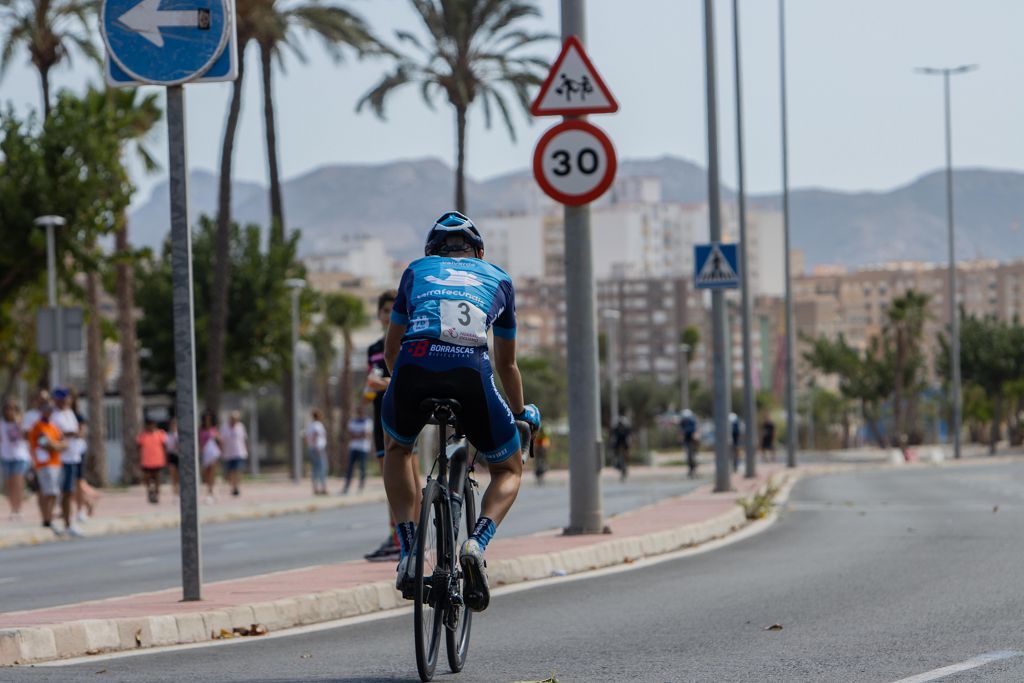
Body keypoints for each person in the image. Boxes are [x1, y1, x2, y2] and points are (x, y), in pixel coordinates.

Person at [382, 211, 541, 613]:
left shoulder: (415, 270)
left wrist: (407, 391)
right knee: (508, 468)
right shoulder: (499, 278)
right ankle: (476, 542)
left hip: (414, 364)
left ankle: (409, 548)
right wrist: (523, 412)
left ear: (431, 251)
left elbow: (390, 353)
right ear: (479, 253)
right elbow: (506, 366)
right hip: (471, 370)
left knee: (398, 450)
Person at [363, 290, 405, 563]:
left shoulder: (406, 344)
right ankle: (395, 536)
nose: (388, 316)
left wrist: (385, 384)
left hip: (401, 416)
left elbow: (404, 380)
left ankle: (407, 535)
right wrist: (372, 387)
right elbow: (369, 385)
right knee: (389, 482)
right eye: (385, 311)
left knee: (405, 479)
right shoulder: (374, 350)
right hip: (379, 418)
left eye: (394, 310)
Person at [28, 399, 66, 535]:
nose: (49, 411)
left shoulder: (53, 426)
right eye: (47, 408)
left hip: (56, 463)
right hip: (44, 464)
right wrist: (56, 446)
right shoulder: (38, 427)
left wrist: (56, 446)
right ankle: (47, 520)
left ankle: (49, 519)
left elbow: (63, 443)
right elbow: (45, 444)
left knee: (54, 493)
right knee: (48, 493)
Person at [52, 388, 85, 536]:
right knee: (63, 492)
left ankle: (68, 522)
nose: (64, 400)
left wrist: (77, 433)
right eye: (61, 398)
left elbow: (77, 429)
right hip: (61, 459)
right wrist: (70, 434)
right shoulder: (54, 415)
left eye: (66, 398)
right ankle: (63, 522)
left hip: (73, 457)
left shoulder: (70, 412)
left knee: (70, 491)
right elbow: (54, 433)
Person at [1, 400, 31, 520]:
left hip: (20, 456)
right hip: (6, 456)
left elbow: (27, 437)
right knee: (9, 484)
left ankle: (19, 509)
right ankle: (13, 508)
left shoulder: (21, 423)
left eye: (13, 409)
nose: (10, 411)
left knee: (18, 483)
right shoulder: (2, 424)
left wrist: (19, 423)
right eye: (8, 409)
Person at [137, 418, 167, 504]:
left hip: (157, 460)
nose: (150, 427)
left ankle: (157, 494)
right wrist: (139, 460)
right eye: (148, 425)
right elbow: (139, 447)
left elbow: (164, 446)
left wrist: (165, 459)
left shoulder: (160, 434)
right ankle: (150, 491)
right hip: (146, 461)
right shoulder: (143, 436)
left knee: (157, 478)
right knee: (147, 479)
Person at [344, 404, 372, 494]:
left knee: (362, 467)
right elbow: (351, 435)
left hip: (363, 448)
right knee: (350, 467)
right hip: (353, 447)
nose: (360, 412)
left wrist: (357, 435)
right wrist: (360, 435)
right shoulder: (352, 421)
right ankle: (347, 485)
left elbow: (366, 434)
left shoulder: (367, 421)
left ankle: (361, 485)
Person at [220, 411, 248, 496]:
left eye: (236, 419)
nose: (234, 420)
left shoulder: (240, 426)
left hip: (239, 452)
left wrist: (246, 450)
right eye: (232, 418)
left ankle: (236, 487)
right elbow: (221, 441)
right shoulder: (224, 427)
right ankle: (233, 486)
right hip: (228, 453)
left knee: (237, 470)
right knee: (231, 471)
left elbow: (244, 439)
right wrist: (221, 451)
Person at [199, 410, 222, 503]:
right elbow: (200, 442)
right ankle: (209, 490)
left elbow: (220, 440)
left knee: (212, 472)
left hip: (213, 454)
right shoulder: (201, 429)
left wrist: (216, 437)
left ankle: (211, 491)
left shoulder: (214, 429)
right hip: (205, 453)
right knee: (206, 474)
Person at [304, 409, 328, 496]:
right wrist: (316, 446)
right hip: (318, 449)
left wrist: (310, 446)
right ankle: (323, 488)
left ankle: (315, 488)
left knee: (315, 469)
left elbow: (306, 438)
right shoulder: (318, 425)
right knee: (322, 468)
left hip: (312, 449)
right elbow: (315, 435)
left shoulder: (310, 425)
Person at [609, 412, 632, 482]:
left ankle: (624, 465)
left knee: (625, 453)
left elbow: (628, 435)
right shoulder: (617, 426)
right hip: (619, 441)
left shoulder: (624, 425)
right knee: (617, 451)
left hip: (623, 441)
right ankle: (618, 462)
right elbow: (614, 436)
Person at [680, 409, 699, 478]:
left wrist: (696, 438)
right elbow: (681, 431)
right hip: (687, 440)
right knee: (688, 456)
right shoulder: (683, 422)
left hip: (692, 440)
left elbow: (695, 431)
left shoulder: (692, 421)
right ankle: (690, 470)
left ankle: (694, 469)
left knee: (693, 456)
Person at [165, 417, 180, 496]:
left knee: (178, 474)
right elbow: (168, 447)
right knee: (172, 473)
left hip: (179, 455)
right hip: (171, 455)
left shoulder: (179, 435)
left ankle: (178, 490)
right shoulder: (168, 435)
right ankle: (175, 491)